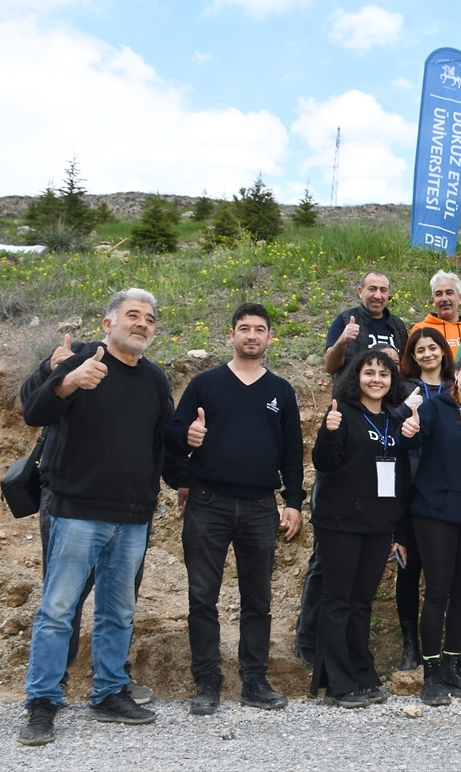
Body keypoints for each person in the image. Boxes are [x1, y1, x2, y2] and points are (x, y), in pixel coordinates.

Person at [18, 289, 173, 746]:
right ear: (108, 324)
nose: (141, 323)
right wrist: (66, 380)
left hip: (132, 515)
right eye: (132, 315)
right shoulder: (81, 360)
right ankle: (43, 700)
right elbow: (33, 410)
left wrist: (190, 448)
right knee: (59, 610)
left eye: (148, 319)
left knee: (118, 611)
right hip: (76, 510)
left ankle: (108, 691)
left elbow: (161, 440)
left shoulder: (155, 379)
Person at [166, 303, 306, 716]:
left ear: (269, 338)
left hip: (262, 506)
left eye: (259, 329)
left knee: (257, 599)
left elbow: (293, 452)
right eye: (244, 328)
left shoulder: (280, 391)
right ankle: (207, 681)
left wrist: (294, 501)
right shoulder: (204, 384)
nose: (251, 335)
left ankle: (254, 680)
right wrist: (185, 464)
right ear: (231, 335)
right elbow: (171, 436)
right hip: (207, 503)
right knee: (202, 597)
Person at [396, 349, 461, 706]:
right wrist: (408, 429)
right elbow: (411, 440)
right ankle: (431, 674)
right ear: (456, 373)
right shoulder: (434, 409)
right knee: (438, 592)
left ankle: (453, 666)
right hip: (435, 514)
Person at [309, 350, 410, 707]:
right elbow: (324, 462)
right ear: (357, 376)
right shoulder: (343, 414)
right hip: (340, 522)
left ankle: (361, 674)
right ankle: (339, 683)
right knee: (337, 601)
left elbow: (401, 480)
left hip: (379, 524)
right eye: (369, 372)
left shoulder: (395, 422)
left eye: (384, 373)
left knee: (361, 603)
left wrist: (399, 531)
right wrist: (328, 433)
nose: (377, 379)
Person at [388, 326, 458, 670]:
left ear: (443, 351)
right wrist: (404, 408)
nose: (428, 354)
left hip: (448, 489)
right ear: (412, 357)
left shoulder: (457, 388)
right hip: (410, 487)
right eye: (420, 350)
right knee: (408, 570)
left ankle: (443, 645)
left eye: (433, 348)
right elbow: (390, 427)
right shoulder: (403, 389)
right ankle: (409, 646)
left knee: (442, 573)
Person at [322, 271, 409, 384]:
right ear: (360, 291)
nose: (378, 296)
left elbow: (406, 368)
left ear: (388, 294)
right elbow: (329, 367)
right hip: (352, 398)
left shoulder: (398, 326)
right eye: (372, 289)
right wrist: (341, 342)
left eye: (383, 290)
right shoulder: (345, 320)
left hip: (391, 398)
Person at [408, 270, 461, 358]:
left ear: (459, 298)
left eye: (449, 293)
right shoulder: (420, 330)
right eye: (438, 294)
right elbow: (409, 365)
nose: (444, 298)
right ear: (433, 300)